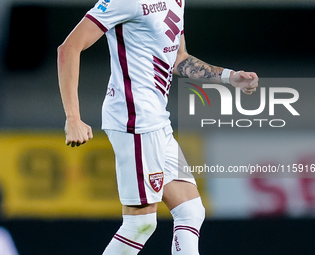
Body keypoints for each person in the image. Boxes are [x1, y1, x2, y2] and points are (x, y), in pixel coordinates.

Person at [57, 0, 258, 254]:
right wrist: (73, 118)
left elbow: (179, 60)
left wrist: (230, 77)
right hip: (135, 118)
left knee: (191, 210)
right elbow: (69, 48)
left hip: (157, 119)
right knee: (140, 224)